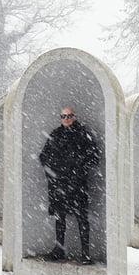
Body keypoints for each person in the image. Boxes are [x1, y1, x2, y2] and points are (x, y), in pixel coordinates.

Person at [39, 106, 100, 265]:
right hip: (59, 185)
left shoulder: (83, 134)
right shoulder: (56, 134)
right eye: (63, 116)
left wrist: (78, 171)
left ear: (74, 116)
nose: (66, 119)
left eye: (69, 116)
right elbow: (43, 156)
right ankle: (59, 249)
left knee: (82, 218)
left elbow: (94, 157)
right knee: (60, 218)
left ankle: (85, 253)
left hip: (77, 185)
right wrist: (53, 173)